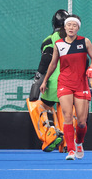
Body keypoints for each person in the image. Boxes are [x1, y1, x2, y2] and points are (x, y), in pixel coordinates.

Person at [40, 14, 92, 160]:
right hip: (64, 83)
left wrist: (91, 67)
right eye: (69, 25)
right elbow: (53, 64)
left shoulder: (85, 42)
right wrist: (44, 80)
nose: (71, 28)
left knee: (82, 122)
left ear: (78, 28)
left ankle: (79, 143)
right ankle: (71, 150)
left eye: (74, 25)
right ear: (64, 27)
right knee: (67, 117)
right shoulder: (58, 44)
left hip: (81, 83)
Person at [27, 9, 69, 152]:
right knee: (65, 109)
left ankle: (49, 134)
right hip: (71, 84)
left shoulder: (50, 39)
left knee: (36, 104)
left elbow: (46, 59)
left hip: (53, 84)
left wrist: (37, 80)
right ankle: (67, 142)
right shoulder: (76, 40)